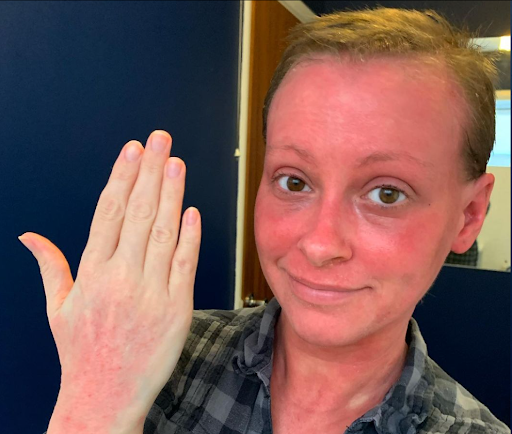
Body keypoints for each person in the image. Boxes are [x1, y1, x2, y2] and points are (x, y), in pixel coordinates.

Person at [18, 6, 509, 434]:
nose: (320, 244)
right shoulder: (153, 360)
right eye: (294, 182)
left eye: (386, 193)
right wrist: (94, 405)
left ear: (469, 215)